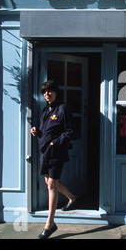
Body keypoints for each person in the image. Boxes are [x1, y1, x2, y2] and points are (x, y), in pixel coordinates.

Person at [31, 80, 78, 239]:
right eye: (44, 92)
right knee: (50, 181)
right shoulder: (45, 110)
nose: (47, 94)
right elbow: (45, 129)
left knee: (51, 183)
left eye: (49, 91)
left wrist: (55, 142)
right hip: (45, 152)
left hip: (56, 151)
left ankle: (50, 224)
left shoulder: (63, 108)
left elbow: (71, 131)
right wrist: (36, 131)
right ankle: (72, 197)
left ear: (56, 92)